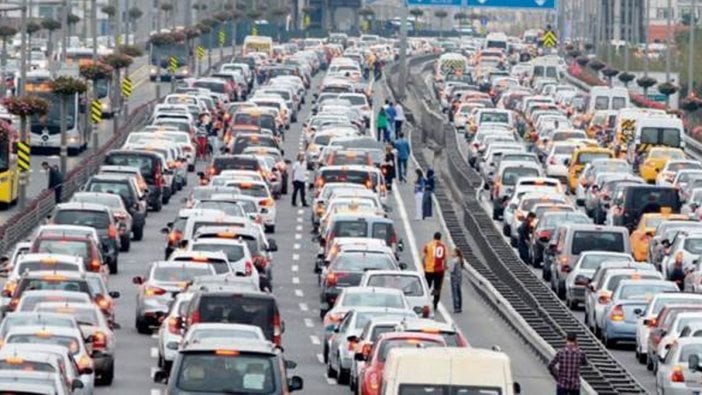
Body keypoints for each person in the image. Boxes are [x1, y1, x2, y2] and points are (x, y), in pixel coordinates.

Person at [422, 232, 447, 311]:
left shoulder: (428, 245)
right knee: (437, 288)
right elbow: (445, 259)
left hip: (429, 269)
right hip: (439, 270)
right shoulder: (443, 246)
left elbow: (423, 257)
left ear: (433, 237)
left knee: (427, 287)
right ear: (440, 238)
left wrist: (424, 266)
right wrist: (444, 267)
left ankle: (426, 301)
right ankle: (435, 303)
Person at [449, 247, 464, 313]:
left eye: (453, 252)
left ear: (456, 253)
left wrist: (447, 267)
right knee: (459, 292)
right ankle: (460, 307)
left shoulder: (454, 260)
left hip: (454, 277)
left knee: (454, 292)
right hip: (459, 278)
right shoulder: (460, 260)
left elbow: (451, 270)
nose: (452, 253)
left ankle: (456, 307)